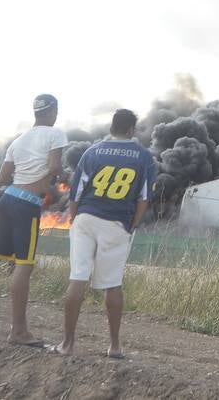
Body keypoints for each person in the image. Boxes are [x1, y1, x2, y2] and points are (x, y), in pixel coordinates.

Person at [0, 93, 68, 346]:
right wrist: (64, 178)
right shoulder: (55, 134)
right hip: (26, 205)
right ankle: (18, 331)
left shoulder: (18, 141)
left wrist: (26, 174)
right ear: (52, 110)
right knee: (24, 264)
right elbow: (54, 168)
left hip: (7, 199)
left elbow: (1, 178)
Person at [55, 108, 154, 358]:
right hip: (116, 224)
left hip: (86, 218)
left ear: (112, 126)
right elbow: (144, 199)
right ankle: (114, 346)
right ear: (131, 129)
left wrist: (75, 218)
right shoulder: (143, 157)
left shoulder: (92, 151)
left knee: (77, 279)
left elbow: (76, 192)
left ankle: (67, 344)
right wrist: (132, 225)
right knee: (113, 285)